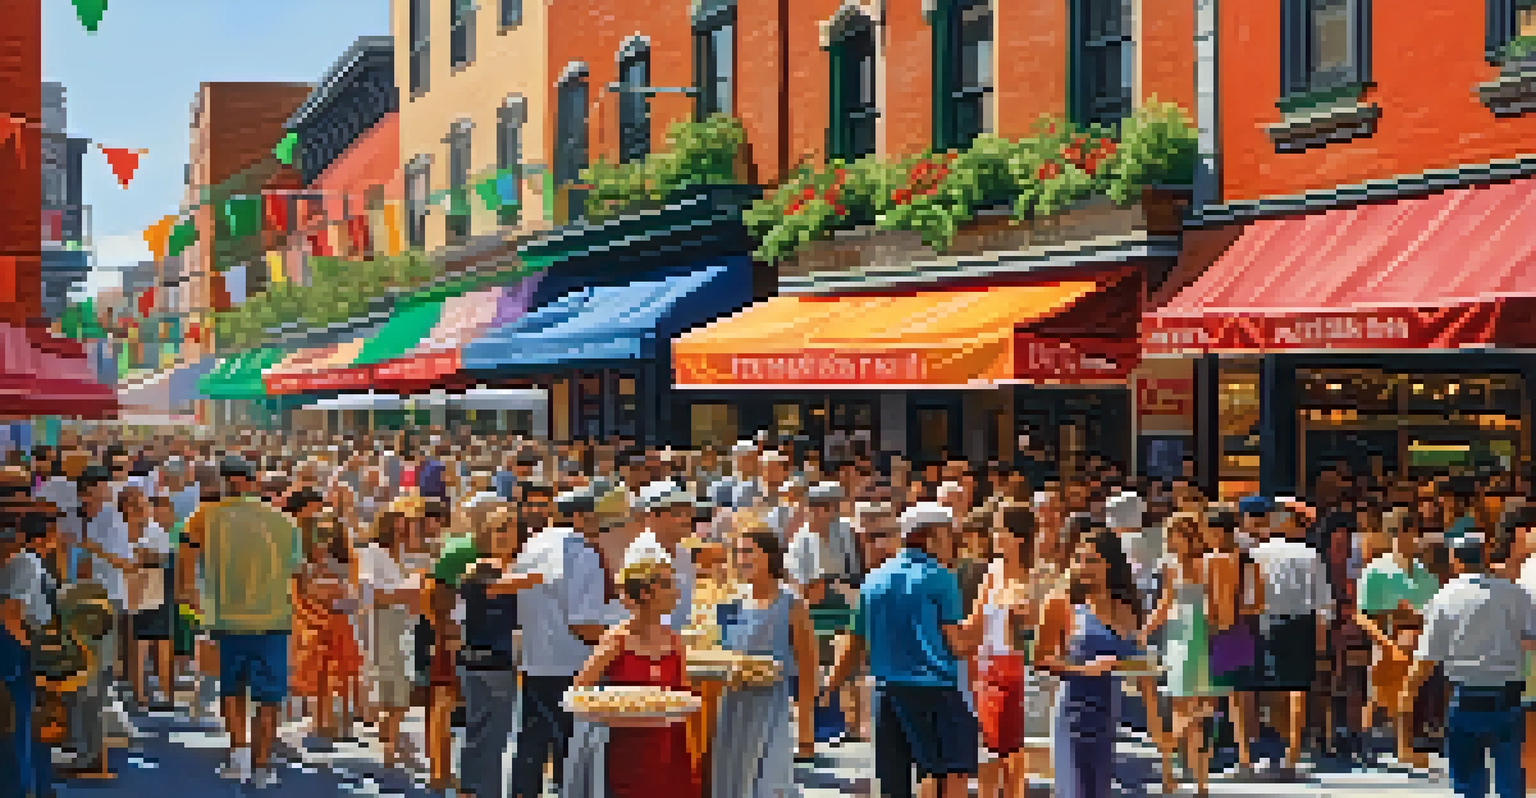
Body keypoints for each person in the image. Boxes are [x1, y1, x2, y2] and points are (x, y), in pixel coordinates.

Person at [824, 502, 979, 798]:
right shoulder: (942, 578)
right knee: (948, 774)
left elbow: (853, 641)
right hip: (935, 693)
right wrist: (985, 627)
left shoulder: (873, 580)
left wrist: (830, 685)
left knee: (893, 784)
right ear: (932, 537)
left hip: (886, 695)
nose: (953, 543)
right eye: (949, 535)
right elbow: (957, 645)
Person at [181, 456, 302, 788]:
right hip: (274, 618)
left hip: (225, 618)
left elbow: (185, 558)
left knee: (231, 691)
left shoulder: (204, 516)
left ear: (221, 483)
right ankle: (262, 766)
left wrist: (188, 595)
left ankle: (238, 758)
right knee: (269, 698)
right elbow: (296, 572)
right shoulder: (283, 520)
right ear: (251, 482)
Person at [1407, 517, 1535, 798]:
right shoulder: (1516, 594)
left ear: (1454, 557)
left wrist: (1408, 694)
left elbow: (1427, 657)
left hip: (1466, 698)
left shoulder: (1444, 599)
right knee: (1510, 777)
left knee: (1469, 782)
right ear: (1484, 553)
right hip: (1509, 696)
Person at [1036, 524, 1145, 798]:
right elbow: (1040, 659)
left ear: (1110, 565)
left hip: (1108, 710)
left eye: (1092, 560)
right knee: (1073, 789)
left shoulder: (1127, 607)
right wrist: (1084, 669)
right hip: (1072, 710)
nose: (1083, 566)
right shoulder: (1060, 603)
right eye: (1079, 559)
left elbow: (1134, 665)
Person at [574, 556, 697, 798]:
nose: (675, 591)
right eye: (667, 584)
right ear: (646, 593)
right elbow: (580, 690)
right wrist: (614, 706)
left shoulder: (674, 641)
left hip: (670, 748)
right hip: (626, 749)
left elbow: (684, 693)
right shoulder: (616, 639)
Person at [514, 482, 608, 798]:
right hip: (572, 664)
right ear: (581, 517)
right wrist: (614, 644)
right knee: (571, 756)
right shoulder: (581, 552)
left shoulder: (533, 544)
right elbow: (583, 622)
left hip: (535, 660)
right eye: (598, 517)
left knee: (531, 748)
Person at [712, 523, 817, 798]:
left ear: (769, 555)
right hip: (731, 706)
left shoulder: (791, 603)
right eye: (737, 552)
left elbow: (807, 671)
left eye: (748, 551)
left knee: (770, 786)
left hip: (773, 709)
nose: (741, 559)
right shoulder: (731, 601)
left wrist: (806, 732)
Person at [1246, 501, 1334, 773]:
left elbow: (1249, 595)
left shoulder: (1256, 552)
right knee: (1297, 687)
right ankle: (1293, 751)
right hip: (1300, 622)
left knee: (1271, 687)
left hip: (1264, 620)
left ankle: (1278, 744)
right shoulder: (1309, 555)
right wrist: (1321, 641)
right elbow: (1323, 601)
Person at [1355, 506, 1439, 771]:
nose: (1414, 539)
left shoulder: (1424, 573)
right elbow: (1362, 615)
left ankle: (1405, 747)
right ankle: (1365, 745)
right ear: (1395, 535)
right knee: (1379, 695)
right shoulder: (1375, 571)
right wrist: (1387, 644)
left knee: (1410, 695)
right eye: (1409, 532)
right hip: (1387, 639)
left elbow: (1435, 610)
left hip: (1419, 642)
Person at [965, 504, 1038, 798]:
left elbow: (1038, 628)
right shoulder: (992, 572)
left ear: (1018, 537)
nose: (993, 535)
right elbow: (974, 622)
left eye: (1000, 529)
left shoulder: (1036, 576)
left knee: (1013, 753)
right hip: (987, 671)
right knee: (988, 751)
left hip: (1020, 672)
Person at [1141, 512, 1214, 795]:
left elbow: (1219, 603)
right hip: (1179, 637)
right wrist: (1144, 630)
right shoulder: (1170, 566)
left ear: (1192, 536)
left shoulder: (1208, 563)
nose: (1174, 540)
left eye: (1179, 534)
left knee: (1201, 712)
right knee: (1180, 708)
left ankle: (1200, 782)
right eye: (1171, 535)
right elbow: (1164, 604)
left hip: (1204, 634)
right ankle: (1170, 773)